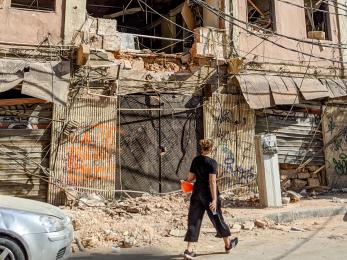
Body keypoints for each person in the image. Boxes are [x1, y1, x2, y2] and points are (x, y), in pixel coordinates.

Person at [183, 139, 238, 259]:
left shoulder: (196, 160)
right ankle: (228, 245)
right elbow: (212, 181)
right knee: (217, 218)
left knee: (194, 220)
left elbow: (190, 177)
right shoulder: (212, 163)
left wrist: (185, 184)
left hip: (197, 193)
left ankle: (189, 250)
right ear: (212, 149)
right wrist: (214, 200)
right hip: (208, 195)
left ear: (202, 148)